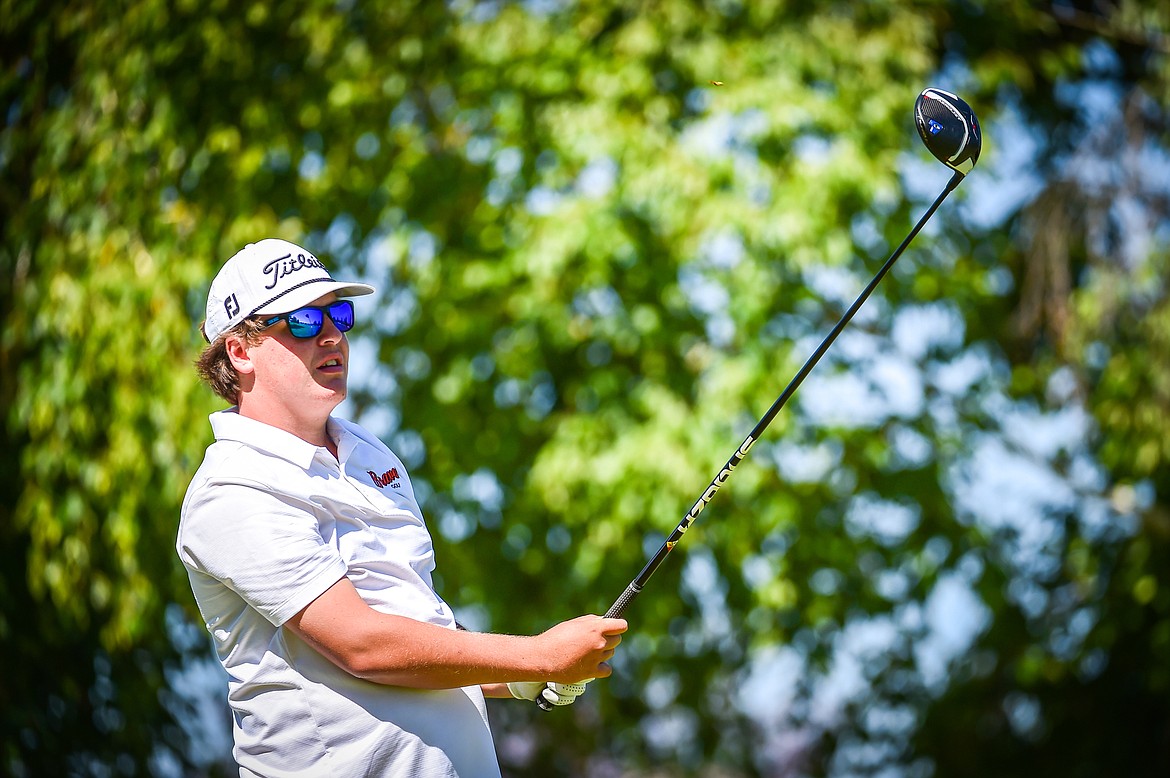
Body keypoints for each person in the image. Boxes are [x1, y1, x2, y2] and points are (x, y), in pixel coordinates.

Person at [177, 238, 627, 777]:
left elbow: (413, 626)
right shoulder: (232, 489)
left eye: (338, 315)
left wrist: (517, 677)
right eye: (302, 320)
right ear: (241, 351)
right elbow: (363, 645)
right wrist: (538, 654)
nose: (332, 335)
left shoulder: (371, 456)